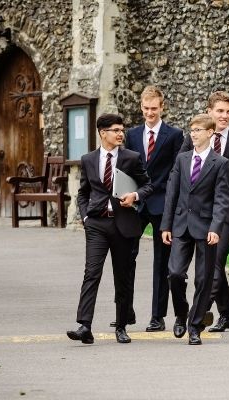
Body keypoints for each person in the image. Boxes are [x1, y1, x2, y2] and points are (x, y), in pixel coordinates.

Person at [67, 113, 154, 344]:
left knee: (122, 277)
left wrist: (134, 195)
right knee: (91, 273)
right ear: (102, 133)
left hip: (123, 224)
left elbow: (148, 185)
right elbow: (83, 192)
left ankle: (122, 326)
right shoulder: (88, 159)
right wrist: (85, 217)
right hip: (96, 224)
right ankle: (84, 325)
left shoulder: (131, 157)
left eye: (122, 130)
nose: (120, 134)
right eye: (115, 130)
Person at [179, 91, 229, 332]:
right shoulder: (194, 137)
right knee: (215, 266)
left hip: (228, 212)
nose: (225, 116)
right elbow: (180, 173)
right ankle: (227, 315)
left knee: (213, 264)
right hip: (198, 213)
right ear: (209, 111)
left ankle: (195, 316)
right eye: (220, 111)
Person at [112, 86, 184, 332]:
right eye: (146, 108)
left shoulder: (174, 135)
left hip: (162, 203)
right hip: (135, 203)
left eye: (154, 108)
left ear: (162, 107)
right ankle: (125, 311)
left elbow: (177, 170)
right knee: (125, 256)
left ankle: (158, 316)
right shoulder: (131, 135)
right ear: (141, 107)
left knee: (161, 262)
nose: (150, 113)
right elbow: (125, 167)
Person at [161, 114, 229, 345]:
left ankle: (195, 326)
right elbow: (172, 194)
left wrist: (216, 227)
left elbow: (222, 199)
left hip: (206, 228)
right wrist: (166, 225)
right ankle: (182, 314)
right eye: (192, 130)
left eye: (198, 130)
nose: (193, 133)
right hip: (180, 226)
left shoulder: (221, 163)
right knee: (175, 274)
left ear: (210, 133)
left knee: (203, 280)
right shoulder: (182, 159)